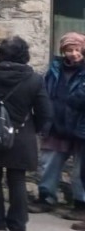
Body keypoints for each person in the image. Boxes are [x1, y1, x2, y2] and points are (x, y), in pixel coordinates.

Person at [0, 36, 51, 231]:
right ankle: (17, 226)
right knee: (17, 179)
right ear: (24, 54)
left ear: (0, 53)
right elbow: (45, 111)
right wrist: (35, 128)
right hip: (21, 133)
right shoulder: (34, 79)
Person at [30, 32, 85, 220]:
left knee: (80, 170)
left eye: (77, 49)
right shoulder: (54, 69)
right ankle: (46, 198)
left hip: (80, 127)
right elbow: (44, 94)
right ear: (63, 51)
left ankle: (81, 204)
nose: (74, 54)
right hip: (56, 125)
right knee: (49, 164)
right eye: (69, 50)